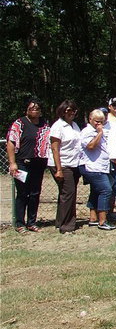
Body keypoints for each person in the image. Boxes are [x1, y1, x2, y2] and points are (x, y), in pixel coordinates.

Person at [7, 99, 50, 233]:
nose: (34, 110)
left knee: (35, 193)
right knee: (22, 193)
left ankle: (32, 222)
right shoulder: (19, 123)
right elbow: (11, 142)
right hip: (22, 163)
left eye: (37, 108)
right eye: (31, 108)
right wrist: (12, 163)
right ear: (26, 110)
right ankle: (20, 223)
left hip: (39, 163)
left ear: (40, 111)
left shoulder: (44, 125)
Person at [48, 100, 81, 233]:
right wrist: (59, 169)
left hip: (73, 164)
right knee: (68, 193)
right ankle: (66, 226)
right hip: (62, 164)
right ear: (62, 111)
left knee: (67, 194)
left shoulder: (74, 125)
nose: (71, 113)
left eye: (73, 111)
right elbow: (55, 148)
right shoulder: (58, 126)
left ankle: (60, 221)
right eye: (68, 111)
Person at [79, 109, 115, 230]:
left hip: (102, 166)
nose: (99, 124)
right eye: (96, 121)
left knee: (96, 191)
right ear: (90, 120)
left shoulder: (100, 130)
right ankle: (102, 221)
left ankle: (93, 219)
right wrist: (99, 133)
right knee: (106, 190)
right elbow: (90, 146)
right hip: (92, 167)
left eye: (101, 122)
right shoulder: (87, 132)